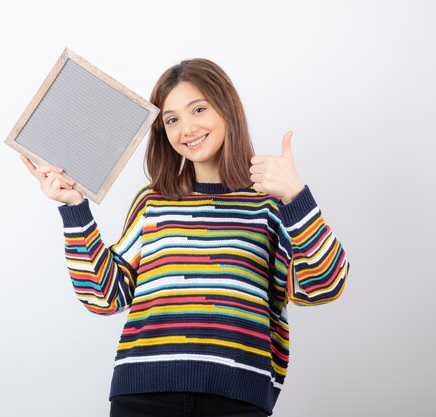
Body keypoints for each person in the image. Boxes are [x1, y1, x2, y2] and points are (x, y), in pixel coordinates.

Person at [21, 58, 349, 417]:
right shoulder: (153, 201)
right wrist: (74, 207)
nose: (187, 128)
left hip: (237, 399)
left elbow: (324, 285)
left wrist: (295, 196)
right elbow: (104, 297)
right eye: (172, 119)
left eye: (198, 109)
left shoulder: (270, 204)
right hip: (142, 396)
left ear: (227, 110)